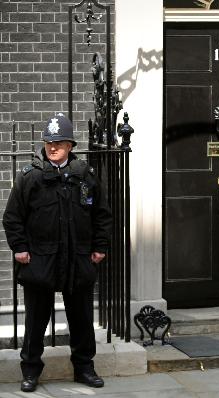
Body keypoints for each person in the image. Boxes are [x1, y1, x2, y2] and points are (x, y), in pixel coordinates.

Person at [3, 113, 111, 393]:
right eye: (50, 143)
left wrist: (100, 247)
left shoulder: (84, 176)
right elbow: (12, 217)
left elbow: (102, 214)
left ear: (70, 145)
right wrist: (20, 248)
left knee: (82, 319)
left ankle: (85, 368)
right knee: (36, 321)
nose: (53, 148)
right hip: (40, 259)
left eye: (60, 143)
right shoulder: (30, 177)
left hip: (78, 259)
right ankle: (30, 371)